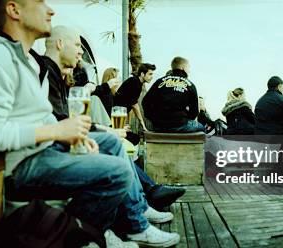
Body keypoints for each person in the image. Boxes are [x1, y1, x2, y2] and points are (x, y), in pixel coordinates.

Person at [0, 1, 179, 247]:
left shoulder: (26, 60)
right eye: (40, 3)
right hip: (19, 166)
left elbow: (38, 118)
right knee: (115, 173)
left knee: (109, 142)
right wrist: (56, 131)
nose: (50, 10)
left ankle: (125, 226)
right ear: (14, 10)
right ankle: (80, 237)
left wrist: (71, 135)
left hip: (42, 150)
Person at [44, 25, 185, 212]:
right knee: (114, 143)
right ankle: (142, 204)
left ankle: (145, 200)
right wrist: (107, 128)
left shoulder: (57, 78)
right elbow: (62, 122)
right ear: (60, 44)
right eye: (77, 46)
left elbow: (64, 120)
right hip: (53, 147)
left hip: (65, 138)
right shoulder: (45, 73)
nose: (80, 52)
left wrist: (108, 128)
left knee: (115, 141)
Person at [142, 57, 204, 133]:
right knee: (202, 127)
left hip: (159, 125)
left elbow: (145, 102)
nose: (189, 71)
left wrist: (153, 119)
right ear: (183, 68)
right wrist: (184, 119)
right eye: (188, 68)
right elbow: (194, 112)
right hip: (180, 125)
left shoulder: (159, 81)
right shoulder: (190, 84)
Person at [114, 63, 155, 131]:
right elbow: (134, 105)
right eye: (150, 74)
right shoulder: (135, 82)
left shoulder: (137, 82)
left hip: (119, 113)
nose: (151, 77)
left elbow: (130, 103)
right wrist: (142, 123)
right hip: (117, 114)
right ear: (142, 74)